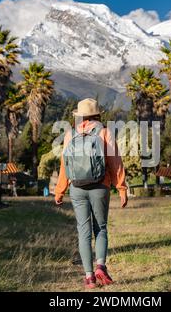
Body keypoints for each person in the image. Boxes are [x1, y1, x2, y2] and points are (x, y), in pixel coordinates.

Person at [55, 98, 128, 289]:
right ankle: (101, 266)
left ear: (79, 116)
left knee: (83, 231)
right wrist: (121, 187)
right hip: (100, 186)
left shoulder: (71, 134)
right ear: (97, 114)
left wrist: (59, 190)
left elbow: (65, 164)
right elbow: (114, 161)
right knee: (101, 228)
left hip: (77, 188)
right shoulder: (104, 132)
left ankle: (89, 278)